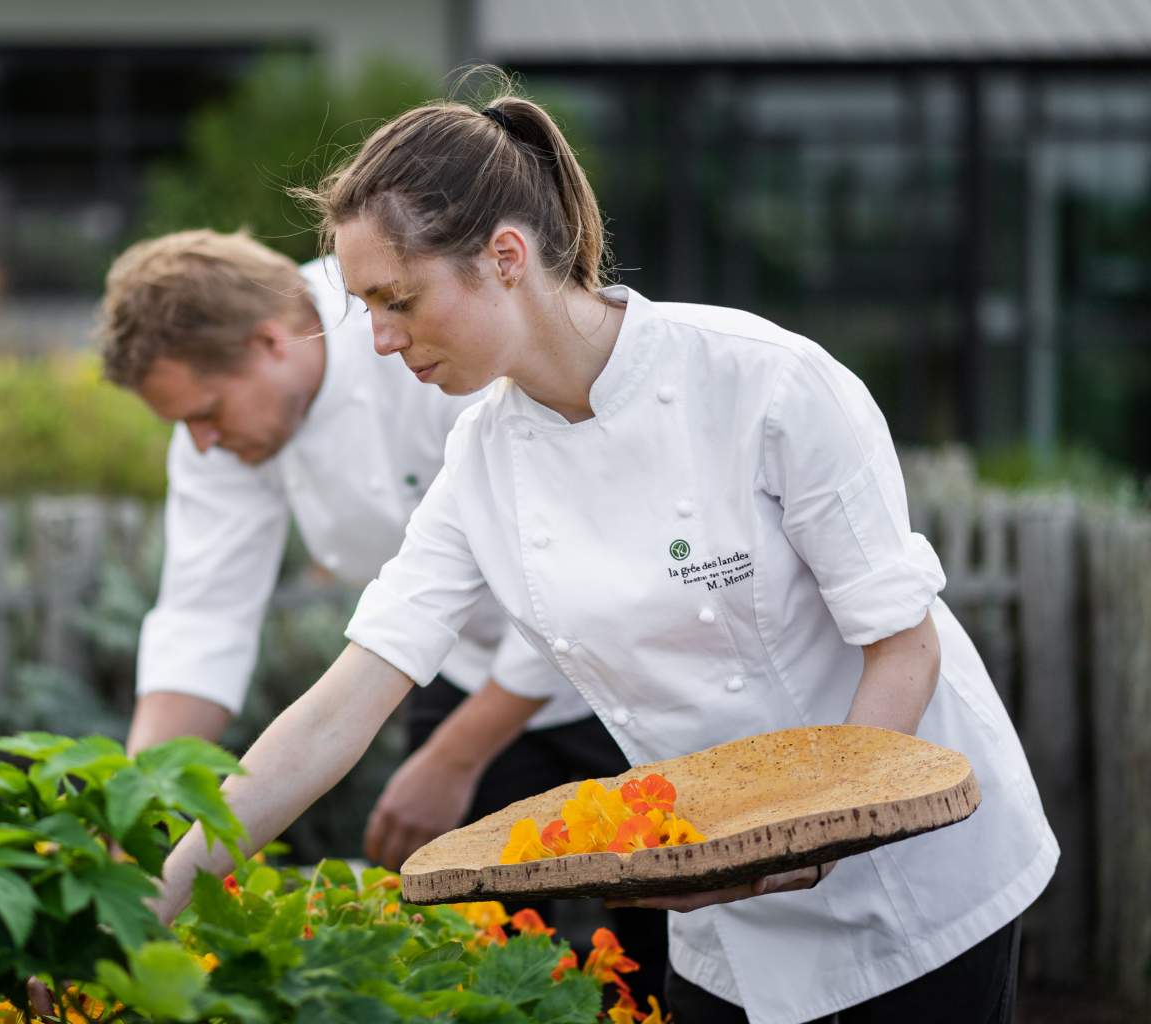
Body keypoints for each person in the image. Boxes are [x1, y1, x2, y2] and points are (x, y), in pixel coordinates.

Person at [152, 81, 1058, 1024]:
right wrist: (163, 889)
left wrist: (814, 835)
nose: (378, 340)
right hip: (719, 894)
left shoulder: (766, 381)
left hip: (908, 875)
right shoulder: (483, 456)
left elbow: (903, 643)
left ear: (505, 257)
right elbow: (341, 708)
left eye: (397, 300)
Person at [98, 229, 665, 971]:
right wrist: (133, 835)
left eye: (205, 412)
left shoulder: (424, 343)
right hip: (456, 662)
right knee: (477, 951)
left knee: (659, 926)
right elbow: (201, 622)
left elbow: (575, 584)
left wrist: (453, 757)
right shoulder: (226, 433)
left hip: (621, 669)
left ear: (271, 342)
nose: (199, 442)